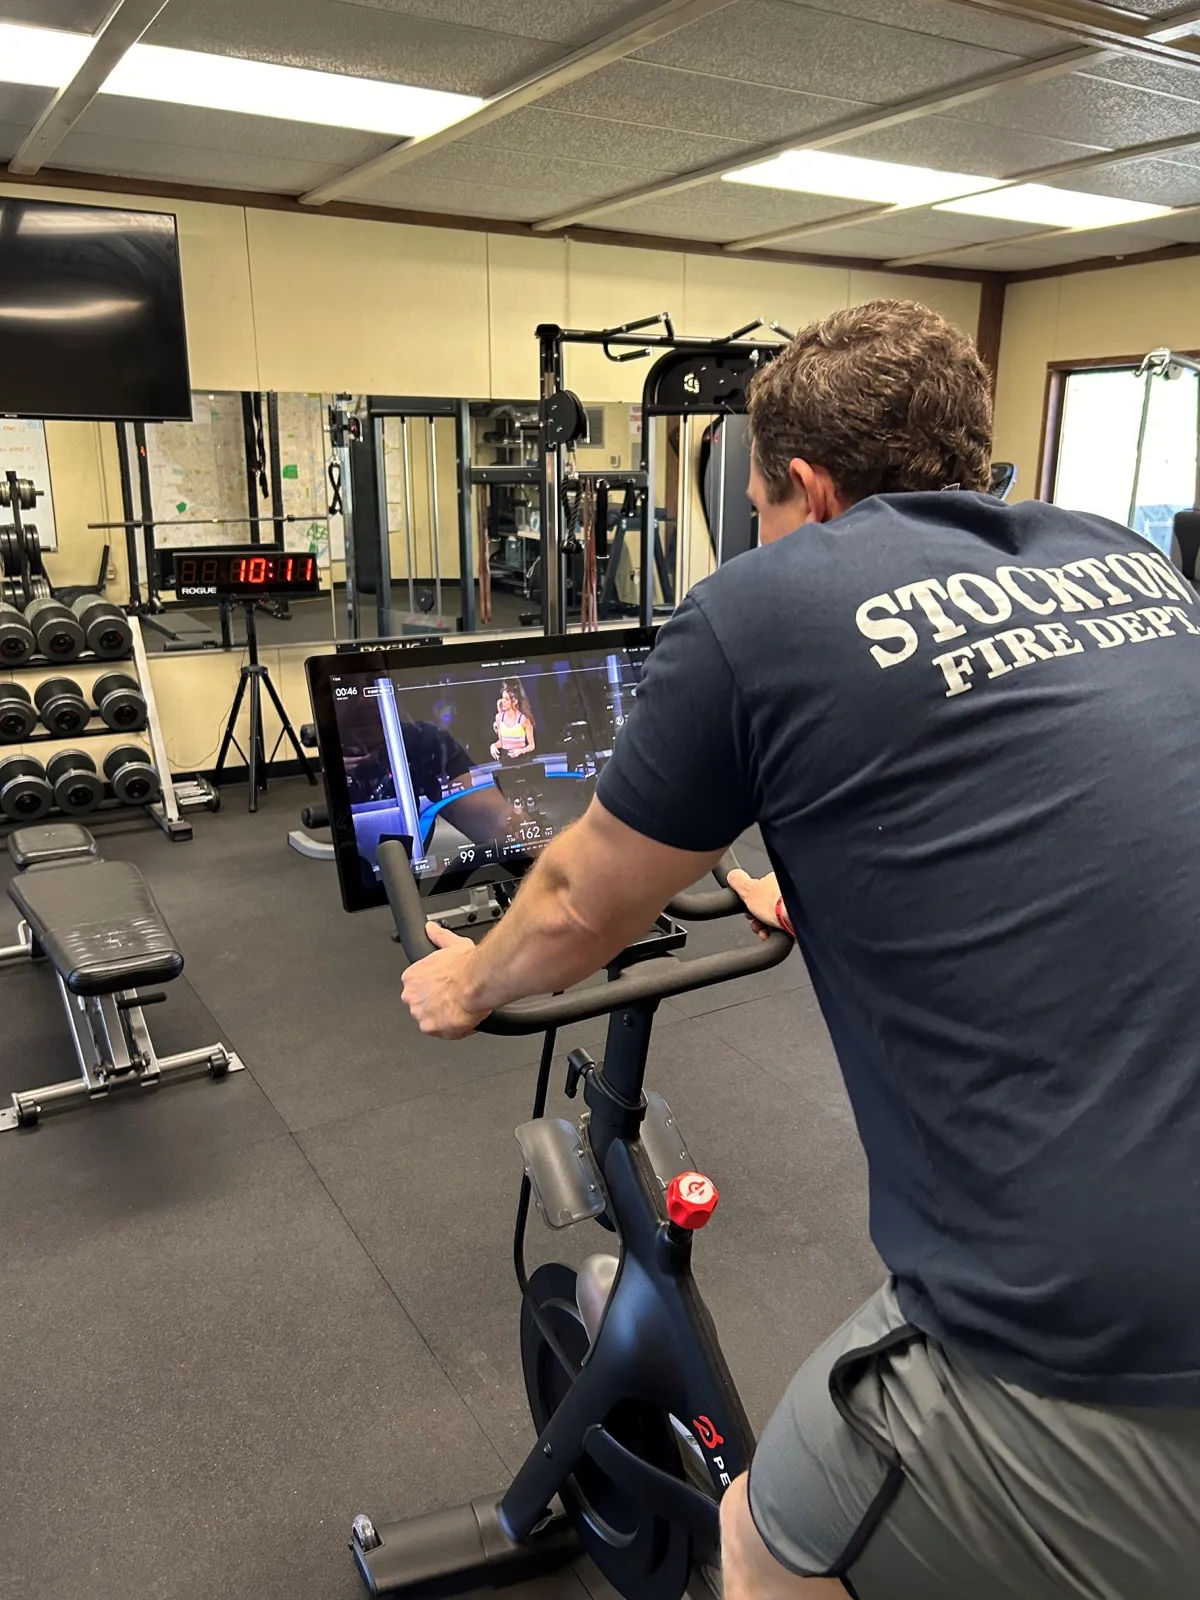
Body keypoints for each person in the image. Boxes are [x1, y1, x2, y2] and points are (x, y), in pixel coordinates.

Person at [398, 299, 1200, 1600]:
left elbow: (576, 910)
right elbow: (1072, 802)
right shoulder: (1122, 557)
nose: (756, 537)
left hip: (1099, 1332)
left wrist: (465, 979)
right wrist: (833, 879)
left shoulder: (766, 601)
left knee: (760, 1540)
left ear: (809, 493)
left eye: (760, 509)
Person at [490, 680, 536, 761]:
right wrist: (493, 746)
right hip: (506, 760)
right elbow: (501, 742)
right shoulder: (499, 718)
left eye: (507, 699)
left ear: (514, 701)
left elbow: (531, 746)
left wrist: (520, 751)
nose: (503, 701)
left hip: (522, 759)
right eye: (502, 698)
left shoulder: (524, 720)